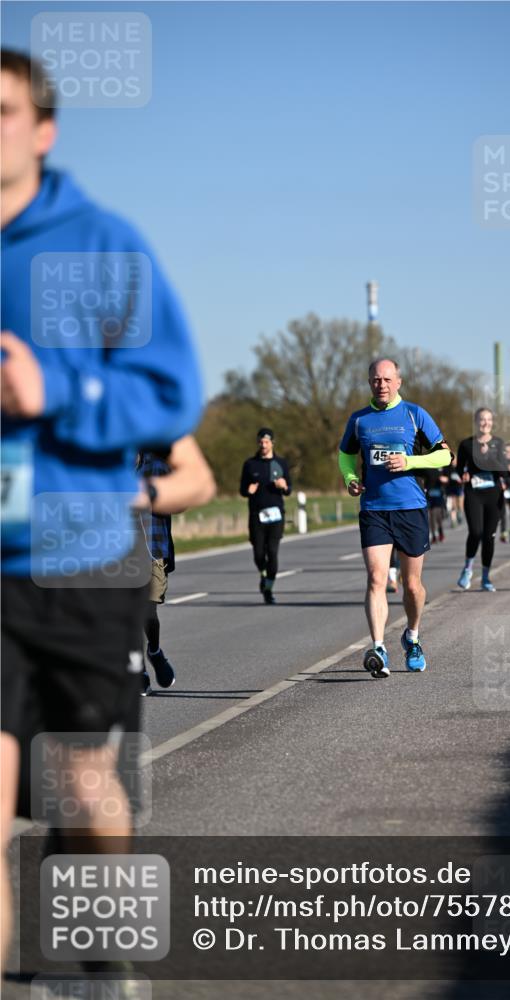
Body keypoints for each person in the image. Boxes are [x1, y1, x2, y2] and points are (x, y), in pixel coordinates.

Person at [0, 49, 202, 967]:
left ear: (41, 131)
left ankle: (104, 966)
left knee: (80, 785)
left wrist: (63, 394)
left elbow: (172, 394)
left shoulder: (100, 243)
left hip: (82, 560)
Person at [338, 359, 450, 678]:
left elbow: (445, 454)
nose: (381, 385)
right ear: (369, 382)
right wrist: (349, 478)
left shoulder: (415, 414)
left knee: (412, 586)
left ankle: (412, 637)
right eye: (376, 380)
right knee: (376, 578)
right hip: (373, 508)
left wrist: (410, 461)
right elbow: (345, 454)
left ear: (398, 382)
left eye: (387, 379)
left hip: (410, 508)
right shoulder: (359, 420)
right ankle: (378, 647)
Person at [137, 436, 215, 694]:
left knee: (148, 612)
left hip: (152, 549)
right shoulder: (108, 463)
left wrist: (153, 496)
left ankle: (155, 650)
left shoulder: (157, 464)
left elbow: (185, 498)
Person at [455, 408, 506, 592]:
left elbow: (503, 470)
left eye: (489, 419)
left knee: (489, 537)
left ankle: (485, 577)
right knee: (475, 532)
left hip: (493, 495)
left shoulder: (498, 443)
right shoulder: (466, 444)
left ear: (492, 422)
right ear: (476, 421)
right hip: (474, 493)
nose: (486, 423)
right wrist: (463, 475)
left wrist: (489, 456)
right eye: (482, 419)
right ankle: (468, 569)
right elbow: (459, 469)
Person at [240, 428, 291, 604]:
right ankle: (263, 574)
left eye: (266, 442)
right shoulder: (250, 464)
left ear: (272, 443)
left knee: (273, 552)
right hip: (256, 515)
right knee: (259, 554)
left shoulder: (281, 463)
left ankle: (268, 588)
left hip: (276, 515)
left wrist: (284, 486)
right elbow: (242, 490)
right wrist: (248, 491)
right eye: (261, 442)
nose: (263, 445)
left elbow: (289, 489)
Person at [421, 466, 447, 543]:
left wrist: (445, 479)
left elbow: (448, 477)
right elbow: (422, 479)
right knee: (431, 516)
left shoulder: (441, 468)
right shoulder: (425, 468)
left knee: (438, 515)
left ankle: (440, 531)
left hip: (438, 494)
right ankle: (434, 536)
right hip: (429, 494)